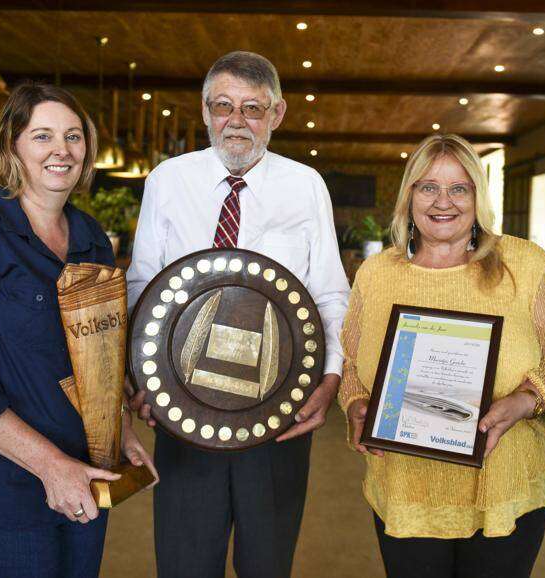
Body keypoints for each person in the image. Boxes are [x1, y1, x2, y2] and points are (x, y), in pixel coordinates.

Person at [0, 83, 156, 578]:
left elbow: (95, 361)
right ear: (11, 147)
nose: (61, 150)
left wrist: (120, 429)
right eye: (42, 136)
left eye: (73, 136)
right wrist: (51, 467)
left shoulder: (92, 242)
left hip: (81, 491)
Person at [126, 51, 350, 578]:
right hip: (183, 409)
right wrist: (138, 376)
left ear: (278, 114)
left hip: (280, 413)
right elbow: (142, 283)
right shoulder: (167, 180)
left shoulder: (306, 185)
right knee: (185, 563)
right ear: (204, 112)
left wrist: (333, 379)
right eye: (223, 106)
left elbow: (330, 293)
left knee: (267, 564)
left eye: (253, 108)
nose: (236, 120)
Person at [338, 133, 545, 578]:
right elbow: (350, 362)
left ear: (477, 196)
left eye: (459, 188)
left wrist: (525, 400)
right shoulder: (377, 273)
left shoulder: (526, 263)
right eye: (428, 187)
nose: (443, 201)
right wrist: (355, 406)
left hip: (504, 488)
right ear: (409, 196)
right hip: (406, 491)